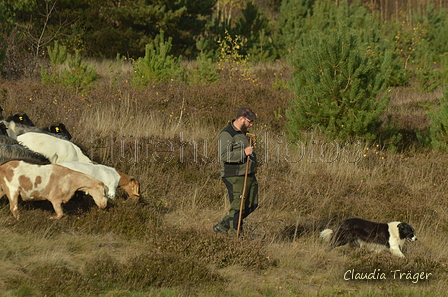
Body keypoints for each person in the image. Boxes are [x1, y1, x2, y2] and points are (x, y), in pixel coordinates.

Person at [213, 107, 258, 237]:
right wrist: (244, 152)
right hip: (235, 175)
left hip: (248, 174)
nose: (251, 124)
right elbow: (224, 155)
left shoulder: (244, 133)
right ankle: (235, 237)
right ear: (241, 119)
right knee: (237, 208)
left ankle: (223, 226)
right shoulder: (227, 134)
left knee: (252, 204)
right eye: (249, 121)